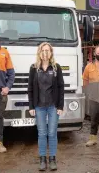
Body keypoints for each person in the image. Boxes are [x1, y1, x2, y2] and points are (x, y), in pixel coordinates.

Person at [28, 42, 64, 171]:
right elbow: (30, 89)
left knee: (52, 133)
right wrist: (31, 106)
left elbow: (61, 87)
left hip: (53, 106)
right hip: (39, 107)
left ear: (51, 53)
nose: (45, 53)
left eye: (47, 50)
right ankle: (42, 159)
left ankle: (52, 159)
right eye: (43, 50)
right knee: (42, 133)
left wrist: (60, 106)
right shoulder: (33, 68)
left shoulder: (56, 68)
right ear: (39, 52)